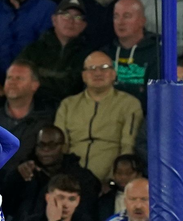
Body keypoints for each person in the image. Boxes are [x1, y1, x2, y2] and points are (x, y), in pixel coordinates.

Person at [54, 50, 142, 183]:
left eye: (104, 68)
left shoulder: (129, 103)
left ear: (114, 74)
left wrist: (114, 180)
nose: (98, 73)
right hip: (71, 178)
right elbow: (60, 146)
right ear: (83, 76)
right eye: (92, 69)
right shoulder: (68, 105)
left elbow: (127, 147)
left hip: (110, 180)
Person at [2, 126, 101, 221]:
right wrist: (16, 176)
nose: (46, 149)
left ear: (63, 147)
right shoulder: (26, 172)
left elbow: (85, 216)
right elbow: (6, 205)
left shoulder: (80, 177)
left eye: (52, 145)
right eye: (41, 145)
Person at [0, 59, 54, 184]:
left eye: (19, 78)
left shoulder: (46, 117)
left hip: (27, 182)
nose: (12, 83)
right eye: (9, 78)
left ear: (34, 85)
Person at [17, 0, 90, 107]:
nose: (71, 21)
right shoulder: (33, 50)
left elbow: (71, 88)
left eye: (78, 17)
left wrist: (39, 78)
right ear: (54, 19)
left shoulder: (89, 56)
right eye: (66, 15)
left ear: (84, 25)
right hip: (33, 110)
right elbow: (19, 78)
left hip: (71, 112)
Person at [103, 0, 159, 110]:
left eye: (127, 16)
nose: (120, 22)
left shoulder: (157, 54)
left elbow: (156, 98)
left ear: (142, 21)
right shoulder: (104, 53)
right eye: (116, 16)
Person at [97, 154, 142, 221]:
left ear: (139, 174)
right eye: (119, 173)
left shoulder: (149, 199)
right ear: (113, 174)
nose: (123, 177)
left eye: (129, 173)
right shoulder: (105, 201)